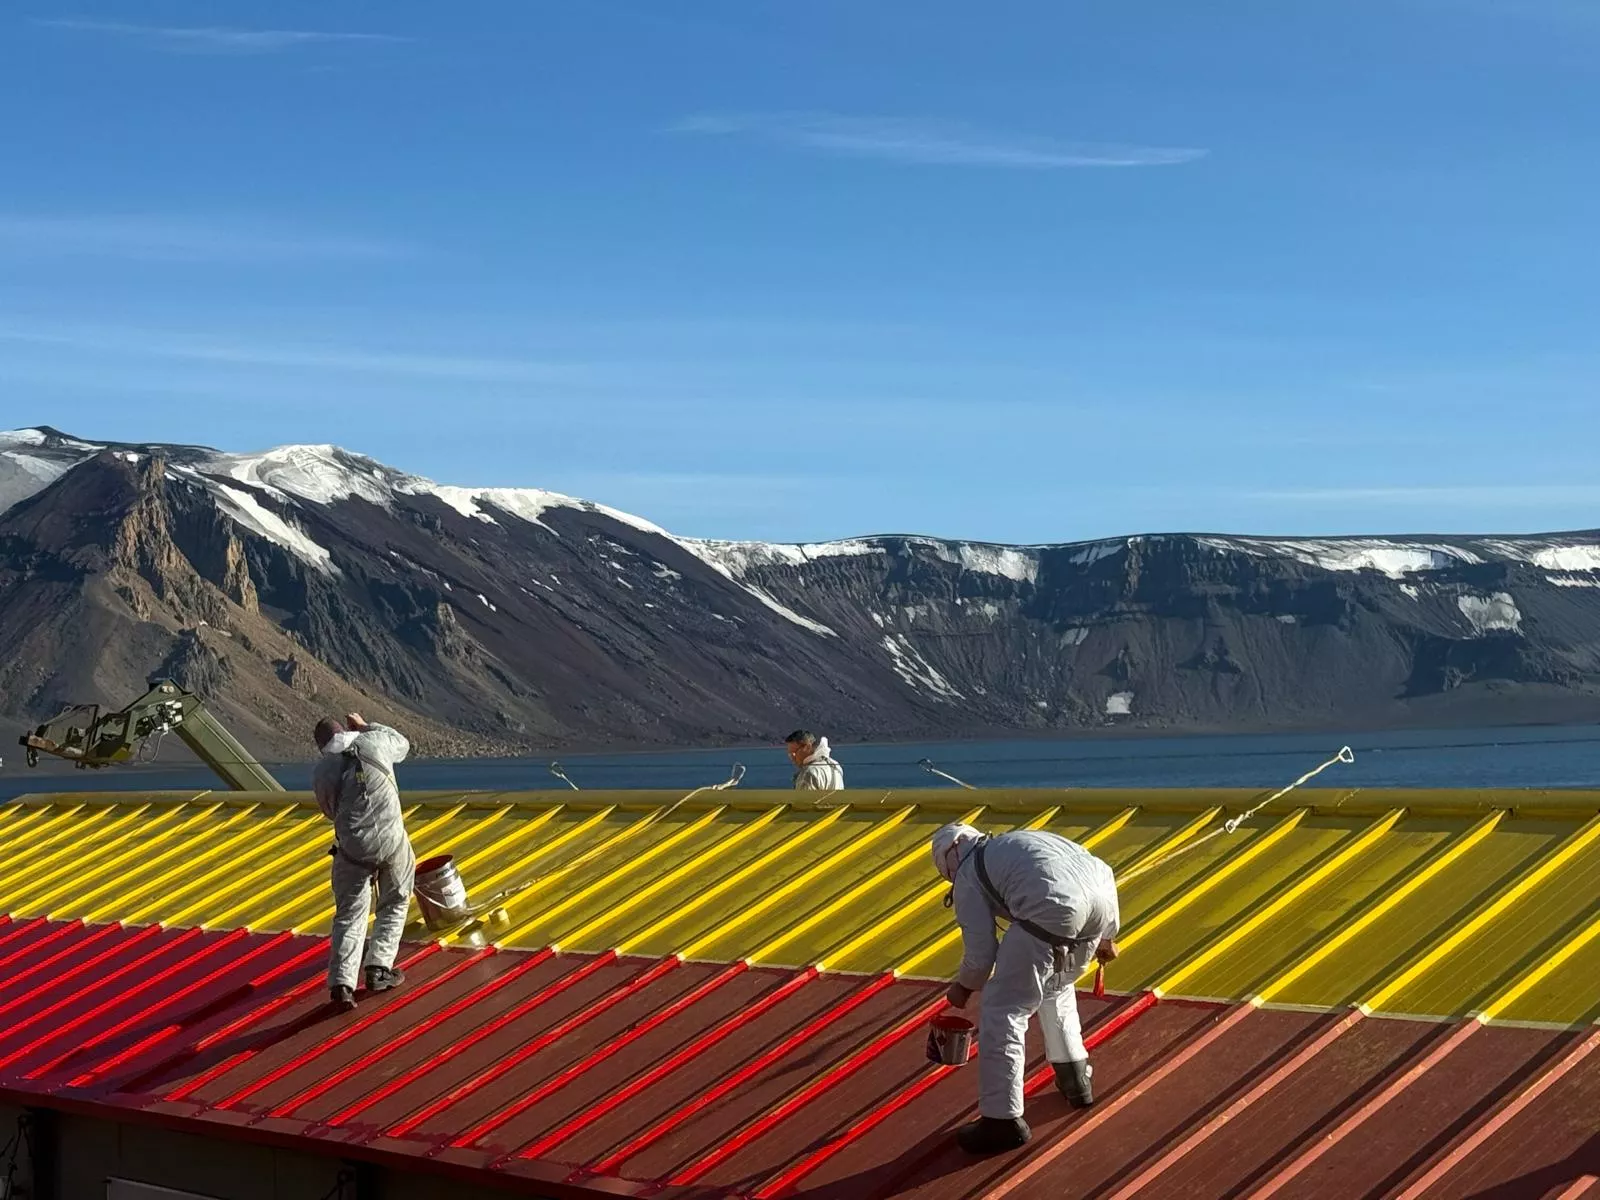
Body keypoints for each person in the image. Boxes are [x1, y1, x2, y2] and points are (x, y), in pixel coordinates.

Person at [931, 822, 1120, 1154]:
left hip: (1051, 910)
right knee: (1056, 988)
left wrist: (962, 988)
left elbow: (981, 952)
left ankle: (1001, 1121)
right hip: (1099, 907)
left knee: (1003, 1011)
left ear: (948, 858)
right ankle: (1075, 1077)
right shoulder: (1018, 842)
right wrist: (1107, 935)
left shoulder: (968, 872)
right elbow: (1100, 868)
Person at [312, 712, 416, 1012]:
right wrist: (366, 726)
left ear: (322, 745)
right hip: (392, 841)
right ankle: (379, 968)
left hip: (353, 850)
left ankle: (342, 985)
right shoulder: (376, 741)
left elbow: (328, 810)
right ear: (345, 729)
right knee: (395, 900)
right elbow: (404, 745)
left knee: (349, 914)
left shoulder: (323, 770)